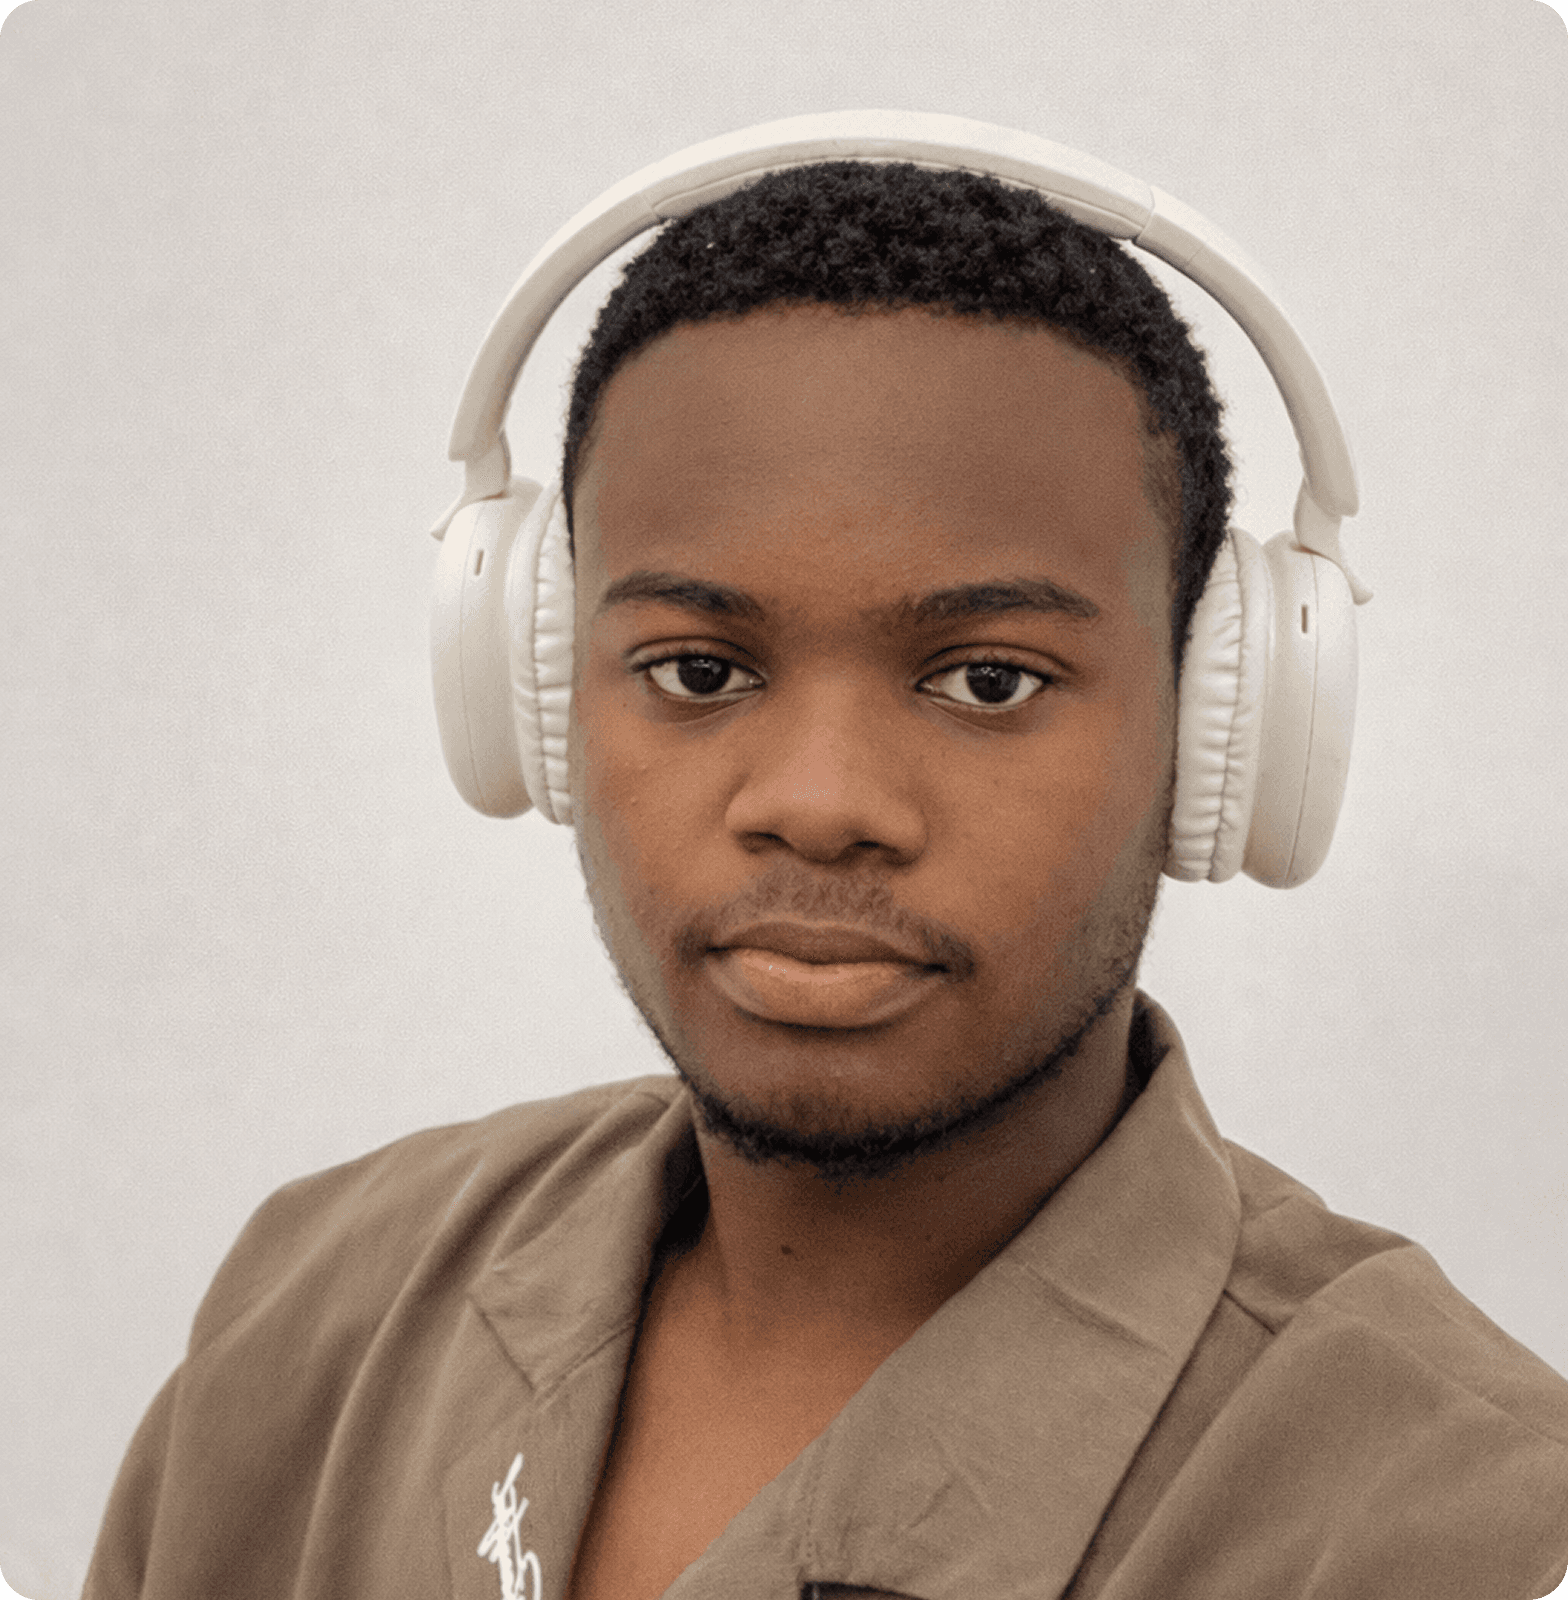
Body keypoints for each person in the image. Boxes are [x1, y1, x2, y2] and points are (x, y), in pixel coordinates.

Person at [83, 116, 1568, 1600]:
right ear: (532, 692)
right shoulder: (320, 1309)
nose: (818, 802)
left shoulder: (1464, 1524)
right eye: (698, 671)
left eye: (988, 679)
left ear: (1222, 727)